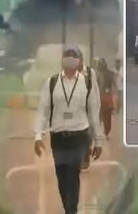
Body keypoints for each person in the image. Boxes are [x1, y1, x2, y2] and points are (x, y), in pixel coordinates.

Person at [34, 45, 104, 214]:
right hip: (58, 137)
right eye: (67, 55)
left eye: (73, 56)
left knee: (73, 173)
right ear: (62, 60)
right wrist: (38, 135)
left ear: (79, 61)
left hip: (79, 136)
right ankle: (69, 208)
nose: (70, 58)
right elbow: (43, 110)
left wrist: (98, 140)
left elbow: (93, 112)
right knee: (61, 175)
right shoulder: (52, 82)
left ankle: (71, 210)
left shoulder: (86, 82)